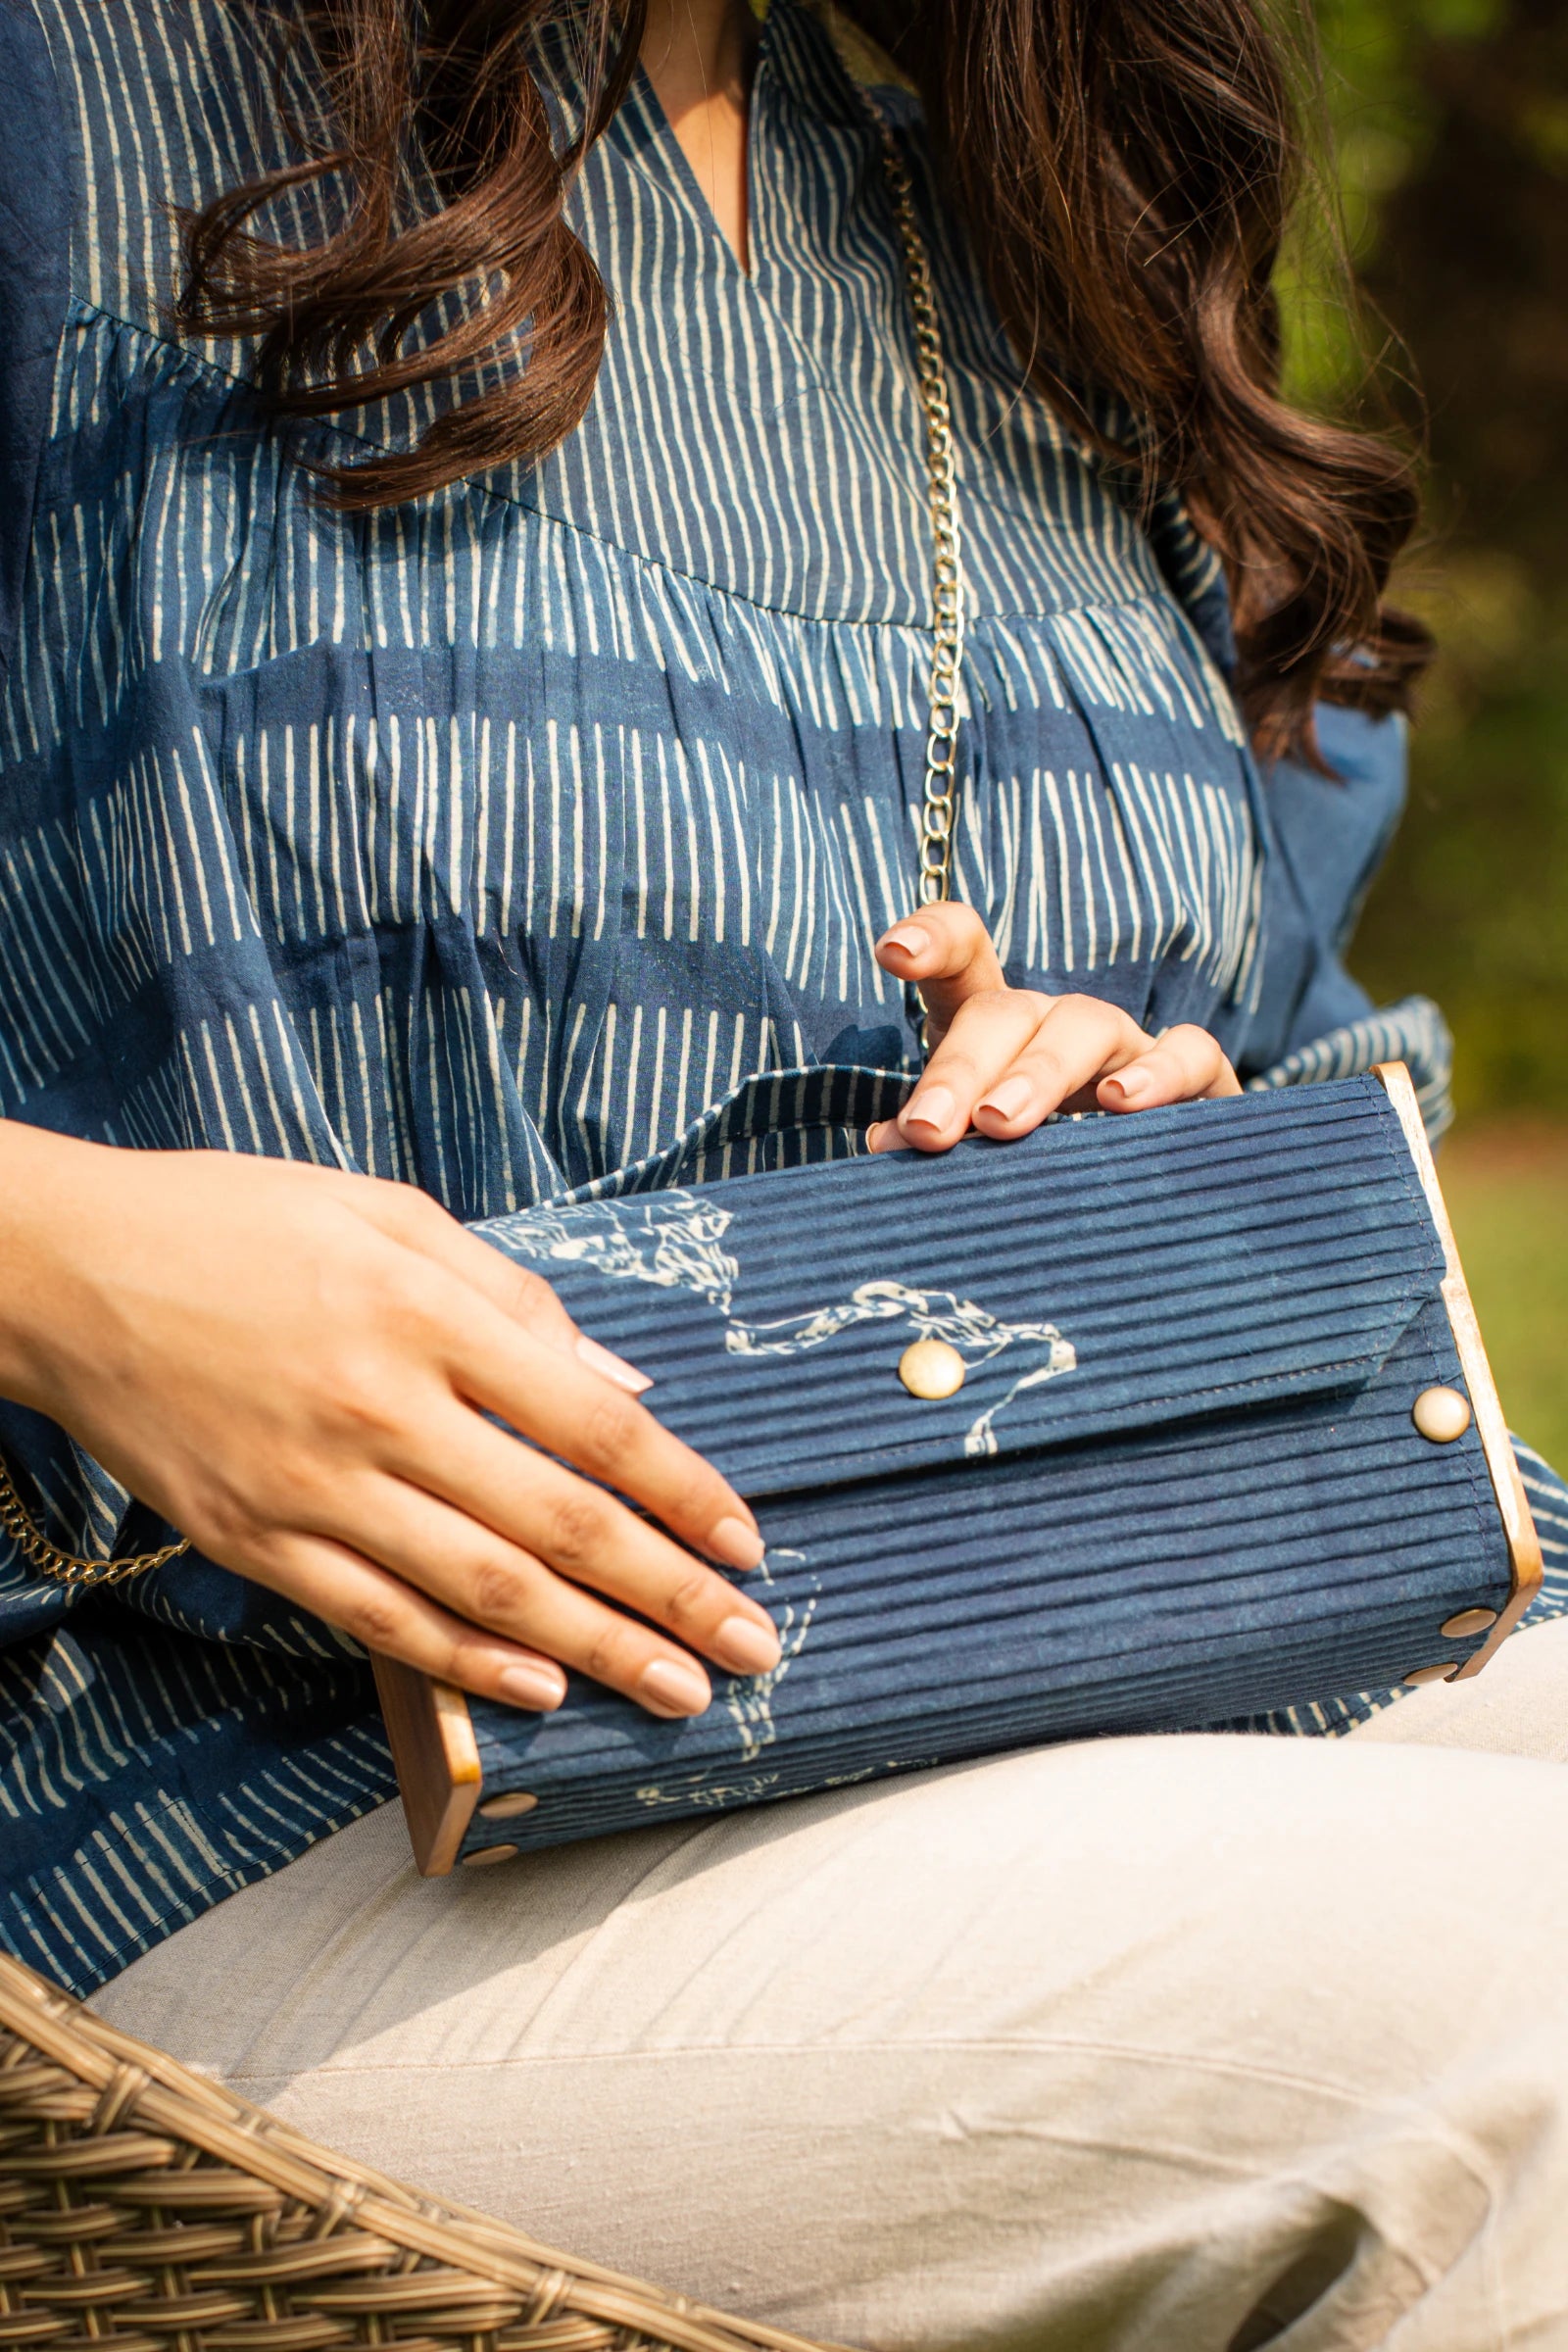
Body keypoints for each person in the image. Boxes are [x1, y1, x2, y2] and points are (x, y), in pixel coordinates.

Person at [1, 0, 1566, 2339]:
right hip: (258, 1822)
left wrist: (1136, 1156)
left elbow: (1278, 1063)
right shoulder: (72, 96)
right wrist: (62, 1253)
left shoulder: (1032, 233)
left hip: (1096, 1674)